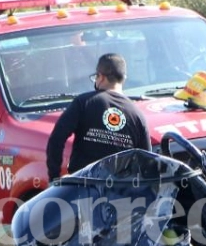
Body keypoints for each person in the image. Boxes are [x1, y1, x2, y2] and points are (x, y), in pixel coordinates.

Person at [46, 53, 150, 181]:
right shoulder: (137, 115)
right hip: (121, 193)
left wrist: (54, 177)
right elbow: (147, 161)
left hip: (83, 189)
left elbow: (56, 139)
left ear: (100, 77)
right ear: (124, 79)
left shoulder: (84, 102)